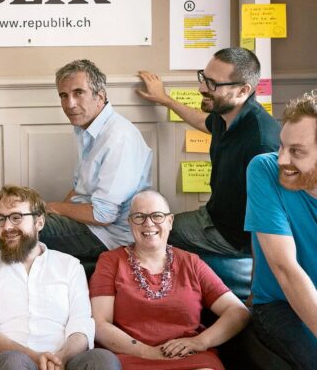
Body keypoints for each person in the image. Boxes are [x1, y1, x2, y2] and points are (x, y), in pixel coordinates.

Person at [0, 59, 153, 260]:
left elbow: (104, 215)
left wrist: (54, 208)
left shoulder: (119, 137)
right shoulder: (86, 129)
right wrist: (50, 215)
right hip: (87, 223)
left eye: (78, 93)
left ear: (100, 96)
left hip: (108, 236)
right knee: (5, 218)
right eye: (64, 96)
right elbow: (78, 189)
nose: (70, 104)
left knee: (0, 223)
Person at [137, 47, 280, 255]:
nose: (201, 88)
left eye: (213, 83)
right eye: (204, 78)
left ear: (243, 90)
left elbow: (271, 215)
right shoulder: (226, 114)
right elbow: (203, 122)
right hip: (214, 216)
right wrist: (165, 99)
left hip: (233, 237)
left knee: (155, 233)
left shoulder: (261, 144)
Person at [89, 190, 250, 370]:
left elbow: (238, 312)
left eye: (157, 216)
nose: (148, 223)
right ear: (130, 222)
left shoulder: (191, 262)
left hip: (188, 357)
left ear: (170, 221)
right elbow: (99, 324)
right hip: (129, 356)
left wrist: (201, 341)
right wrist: (148, 352)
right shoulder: (110, 261)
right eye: (139, 217)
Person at [0, 185, 121, 370]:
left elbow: (81, 325)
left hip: (64, 360)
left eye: (16, 217)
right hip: (6, 360)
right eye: (1, 219)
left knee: (103, 360)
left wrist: (61, 358)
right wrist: (35, 357)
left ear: (39, 222)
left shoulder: (70, 265)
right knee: (14, 362)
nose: (7, 227)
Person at [244, 90, 317, 368]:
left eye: (296, 151)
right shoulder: (264, 170)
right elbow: (285, 269)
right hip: (279, 305)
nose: (282, 160)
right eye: (281, 146)